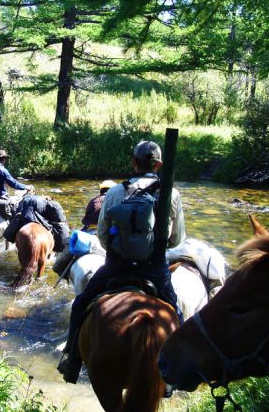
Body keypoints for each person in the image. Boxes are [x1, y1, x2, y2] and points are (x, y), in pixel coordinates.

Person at [57, 140, 186, 384]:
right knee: (176, 311)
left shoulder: (116, 192)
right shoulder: (171, 194)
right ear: (158, 165)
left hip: (116, 266)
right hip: (154, 269)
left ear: (133, 162)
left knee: (81, 304)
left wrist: (120, 251)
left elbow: (103, 234)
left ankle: (72, 359)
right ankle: (174, 371)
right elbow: (177, 238)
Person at [52, 180, 116, 277]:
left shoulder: (93, 201)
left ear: (101, 190)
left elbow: (86, 219)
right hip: (106, 232)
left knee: (70, 245)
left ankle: (59, 268)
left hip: (89, 231)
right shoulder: (115, 201)